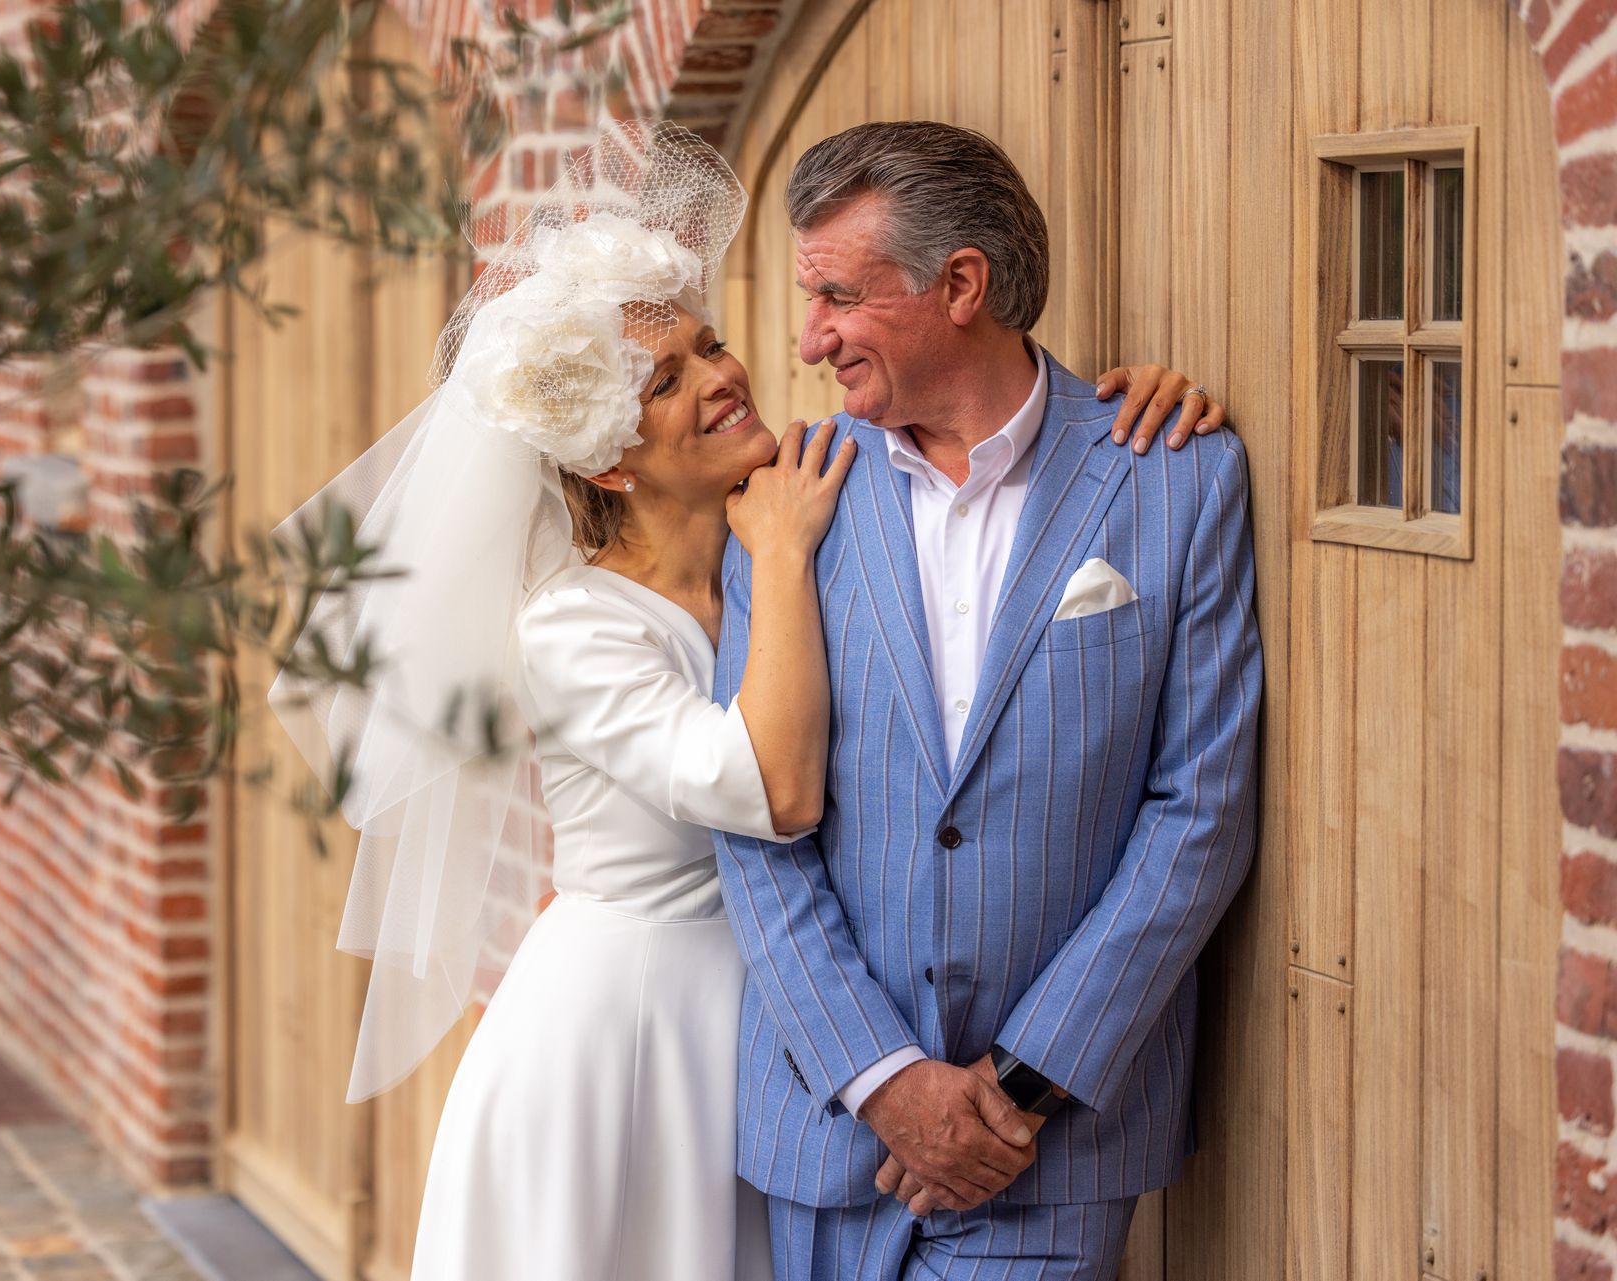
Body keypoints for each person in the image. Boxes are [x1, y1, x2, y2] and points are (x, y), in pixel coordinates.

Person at [269, 121, 1225, 1281]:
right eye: (667, 380)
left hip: (776, 1048)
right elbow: (775, 800)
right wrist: (778, 559)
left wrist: (1129, 413)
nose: (737, 370)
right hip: (645, 1038)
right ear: (609, 457)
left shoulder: (790, 507)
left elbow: (1192, 798)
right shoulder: (631, 602)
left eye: (710, 345)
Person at [711, 120, 1263, 1281]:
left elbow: (1199, 812)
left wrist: (1015, 1089)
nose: (809, 339)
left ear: (961, 285)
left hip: (1051, 1150)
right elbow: (752, 819)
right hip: (831, 1132)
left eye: (838, 295)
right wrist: (882, 1080)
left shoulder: (1175, 477)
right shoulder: (785, 501)